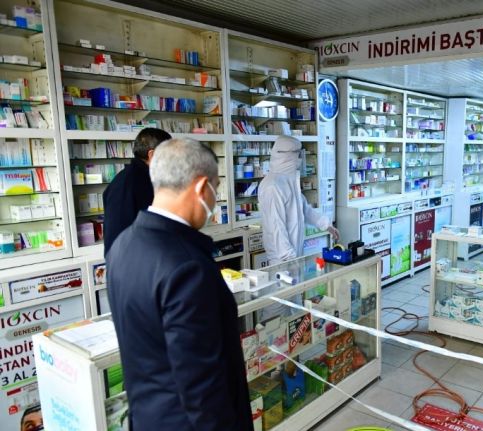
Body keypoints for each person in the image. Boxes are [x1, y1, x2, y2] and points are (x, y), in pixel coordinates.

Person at [107, 138, 253, 431]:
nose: (214, 199)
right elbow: (202, 386)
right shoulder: (187, 266)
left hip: (147, 418)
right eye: (215, 188)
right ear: (202, 188)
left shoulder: (122, 245)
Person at [258, 135, 339, 265]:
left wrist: (326, 224)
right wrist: (289, 257)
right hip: (282, 258)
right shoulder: (272, 186)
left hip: (294, 253)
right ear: (287, 156)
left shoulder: (287, 181)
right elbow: (276, 226)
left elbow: (304, 209)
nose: (299, 159)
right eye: (297, 154)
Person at [103, 127, 172, 255]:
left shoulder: (147, 178)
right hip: (134, 261)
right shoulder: (128, 183)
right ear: (152, 155)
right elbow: (119, 238)